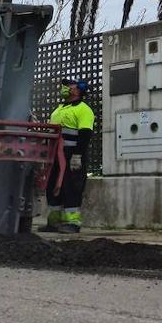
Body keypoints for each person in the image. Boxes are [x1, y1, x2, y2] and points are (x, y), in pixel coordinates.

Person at [43, 79, 95, 233]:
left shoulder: (84, 109)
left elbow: (85, 134)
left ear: (78, 90)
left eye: (69, 85)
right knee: (52, 185)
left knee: (71, 187)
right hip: (55, 155)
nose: (65, 88)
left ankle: (73, 223)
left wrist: (77, 156)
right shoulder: (59, 109)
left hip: (72, 155)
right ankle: (53, 222)